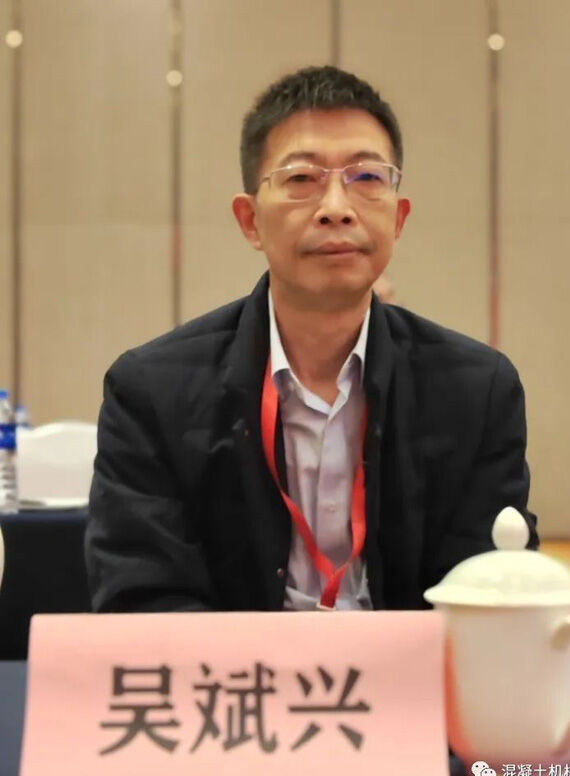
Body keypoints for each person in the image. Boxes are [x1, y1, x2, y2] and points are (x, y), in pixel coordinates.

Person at [85, 65, 538, 614]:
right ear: (249, 220)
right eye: (301, 179)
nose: (336, 208)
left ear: (398, 218)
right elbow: (141, 597)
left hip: (412, 669)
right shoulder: (153, 392)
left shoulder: (476, 390)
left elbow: (488, 589)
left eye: (367, 177)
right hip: (235, 669)